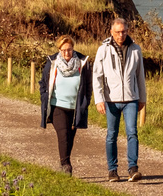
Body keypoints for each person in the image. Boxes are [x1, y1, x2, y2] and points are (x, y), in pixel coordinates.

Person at [92, 17, 146, 182]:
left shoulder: (136, 49)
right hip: (111, 100)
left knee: (132, 132)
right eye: (117, 32)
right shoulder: (103, 50)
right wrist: (99, 99)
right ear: (111, 32)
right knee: (111, 135)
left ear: (127, 31)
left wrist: (142, 98)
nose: (121, 35)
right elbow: (97, 76)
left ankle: (133, 168)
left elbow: (140, 76)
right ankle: (112, 170)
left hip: (131, 98)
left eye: (123, 31)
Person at [39, 35, 90, 175]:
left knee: (70, 137)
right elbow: (43, 83)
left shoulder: (82, 63)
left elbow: (88, 85)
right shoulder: (52, 62)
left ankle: (63, 162)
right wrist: (44, 97)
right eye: (63, 50)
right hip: (57, 105)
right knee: (63, 134)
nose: (67, 53)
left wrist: (86, 102)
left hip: (75, 107)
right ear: (59, 50)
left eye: (69, 50)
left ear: (73, 48)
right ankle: (66, 165)